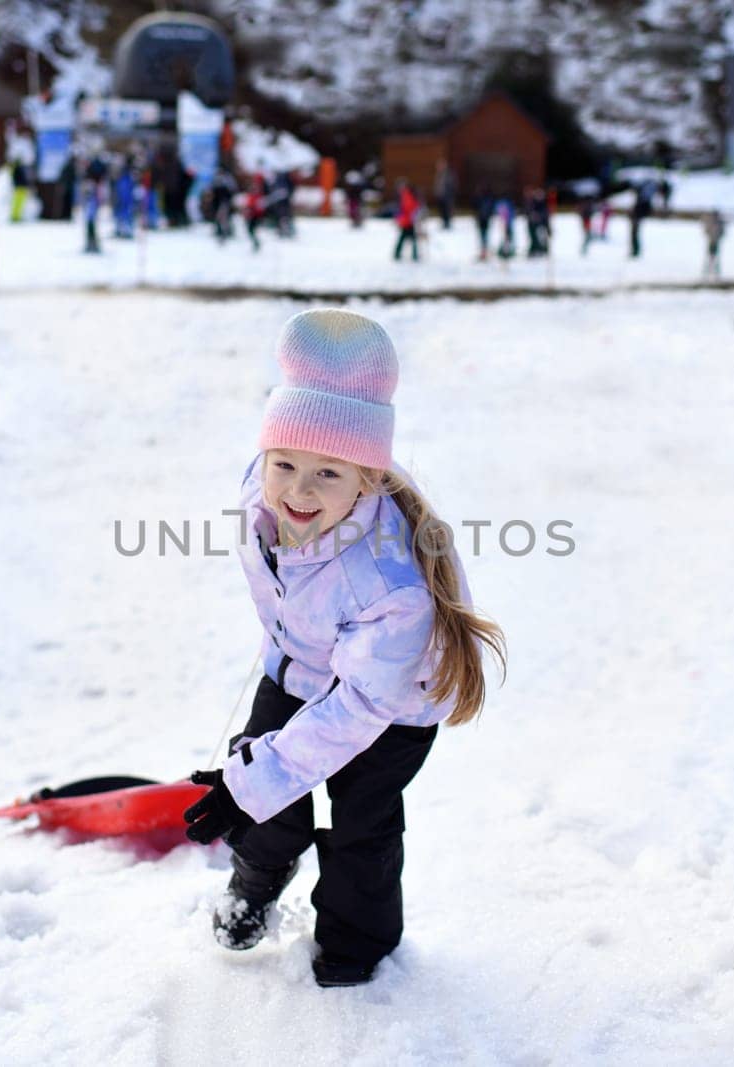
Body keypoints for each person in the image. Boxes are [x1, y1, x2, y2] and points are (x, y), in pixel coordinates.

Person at [182, 309, 507, 989]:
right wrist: (254, 782)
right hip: (304, 663)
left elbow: (357, 709)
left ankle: (357, 939)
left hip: (392, 704)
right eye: (286, 463)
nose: (299, 489)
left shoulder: (389, 586)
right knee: (264, 778)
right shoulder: (259, 492)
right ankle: (255, 882)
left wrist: (254, 780)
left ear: (368, 479)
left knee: (360, 818)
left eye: (328, 473)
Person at [392, 180, 419, 262]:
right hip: (407, 220)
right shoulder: (406, 195)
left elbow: (408, 208)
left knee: (406, 238)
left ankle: (399, 253)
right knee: (408, 238)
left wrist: (401, 218)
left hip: (408, 221)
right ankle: (413, 254)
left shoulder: (406, 195)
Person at [244, 173, 267, 252]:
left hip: (255, 214)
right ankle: (256, 243)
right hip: (253, 213)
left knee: (251, 229)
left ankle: (256, 243)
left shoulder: (259, 191)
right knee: (250, 230)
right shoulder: (256, 191)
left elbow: (258, 204)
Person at [701, 211, 725, 279]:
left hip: (716, 241)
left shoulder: (719, 223)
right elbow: (706, 231)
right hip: (711, 241)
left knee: (716, 259)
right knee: (709, 258)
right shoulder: (711, 222)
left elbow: (722, 232)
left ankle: (716, 274)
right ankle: (706, 274)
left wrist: (717, 237)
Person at [433, 158, 456, 230]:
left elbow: (452, 185)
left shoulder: (448, 174)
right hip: (440, 196)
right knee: (442, 210)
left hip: (447, 196)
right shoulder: (438, 174)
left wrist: (449, 193)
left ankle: (447, 224)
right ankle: (444, 223)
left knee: (447, 210)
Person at [473, 186, 495, 261]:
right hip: (484, 220)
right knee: (484, 237)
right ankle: (484, 252)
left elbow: (477, 209)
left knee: (483, 237)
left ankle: (484, 253)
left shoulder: (482, 199)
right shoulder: (488, 200)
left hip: (483, 220)